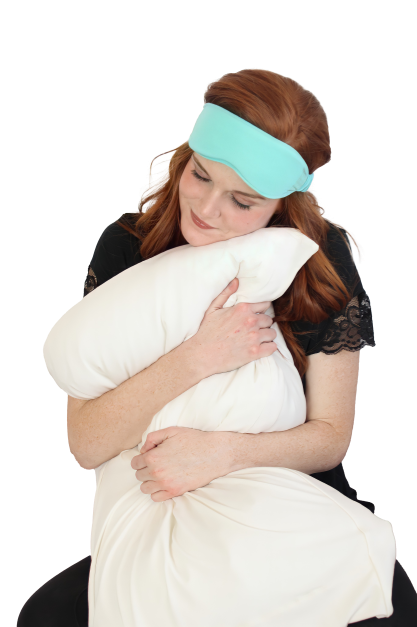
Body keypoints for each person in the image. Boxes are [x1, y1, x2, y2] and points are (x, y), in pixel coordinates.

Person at [18, 69, 416, 626]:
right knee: (47, 617)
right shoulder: (129, 247)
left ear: (281, 205)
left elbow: (329, 437)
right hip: (159, 506)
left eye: (242, 201)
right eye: (200, 175)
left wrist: (222, 454)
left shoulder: (317, 258)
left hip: (288, 500)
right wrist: (197, 357)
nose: (207, 208)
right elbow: (86, 444)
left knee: (387, 600)